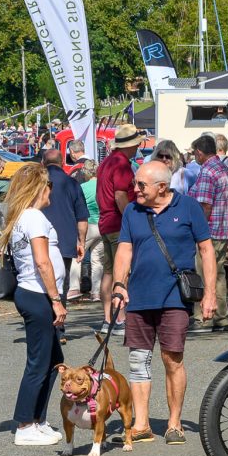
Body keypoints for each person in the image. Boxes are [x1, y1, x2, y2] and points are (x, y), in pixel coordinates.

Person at [112, 160, 216, 445]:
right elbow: (124, 249)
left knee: (172, 359)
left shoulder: (188, 207)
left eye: (141, 185)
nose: (135, 190)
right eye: (135, 184)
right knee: (138, 360)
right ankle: (142, 423)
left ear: (162, 186)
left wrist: (210, 293)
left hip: (174, 297)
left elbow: (206, 250)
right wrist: (119, 286)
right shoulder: (133, 210)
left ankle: (174, 423)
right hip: (139, 296)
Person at [0, 164, 65, 446]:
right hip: (38, 294)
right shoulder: (34, 217)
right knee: (38, 362)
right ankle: (25, 424)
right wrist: (56, 300)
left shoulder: (23, 217)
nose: (52, 190)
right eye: (49, 185)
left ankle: (38, 418)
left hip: (35, 293)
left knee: (53, 360)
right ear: (39, 188)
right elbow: (42, 261)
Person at [96, 123, 142, 335]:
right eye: (136, 144)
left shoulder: (106, 162)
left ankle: (108, 318)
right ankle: (120, 319)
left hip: (106, 221)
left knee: (108, 271)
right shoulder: (122, 164)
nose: (138, 147)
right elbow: (120, 195)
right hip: (117, 223)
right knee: (121, 273)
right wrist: (130, 219)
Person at [40, 148, 88, 344]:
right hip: (64, 241)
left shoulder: (37, 181)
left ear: (43, 163)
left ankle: (44, 327)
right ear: (62, 163)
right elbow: (82, 217)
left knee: (40, 282)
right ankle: (59, 329)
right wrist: (81, 242)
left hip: (39, 238)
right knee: (61, 283)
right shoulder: (72, 183)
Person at [188, 134, 228, 333]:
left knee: (204, 274)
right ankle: (221, 318)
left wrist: (198, 229)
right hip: (223, 230)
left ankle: (203, 318)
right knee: (219, 275)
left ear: (199, 152)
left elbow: (204, 206)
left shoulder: (207, 171)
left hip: (210, 231)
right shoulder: (223, 168)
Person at [77, 158, 101, 300]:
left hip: (88, 225)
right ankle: (96, 292)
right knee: (97, 261)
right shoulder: (102, 186)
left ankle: (73, 288)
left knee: (77, 256)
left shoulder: (83, 187)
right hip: (102, 225)